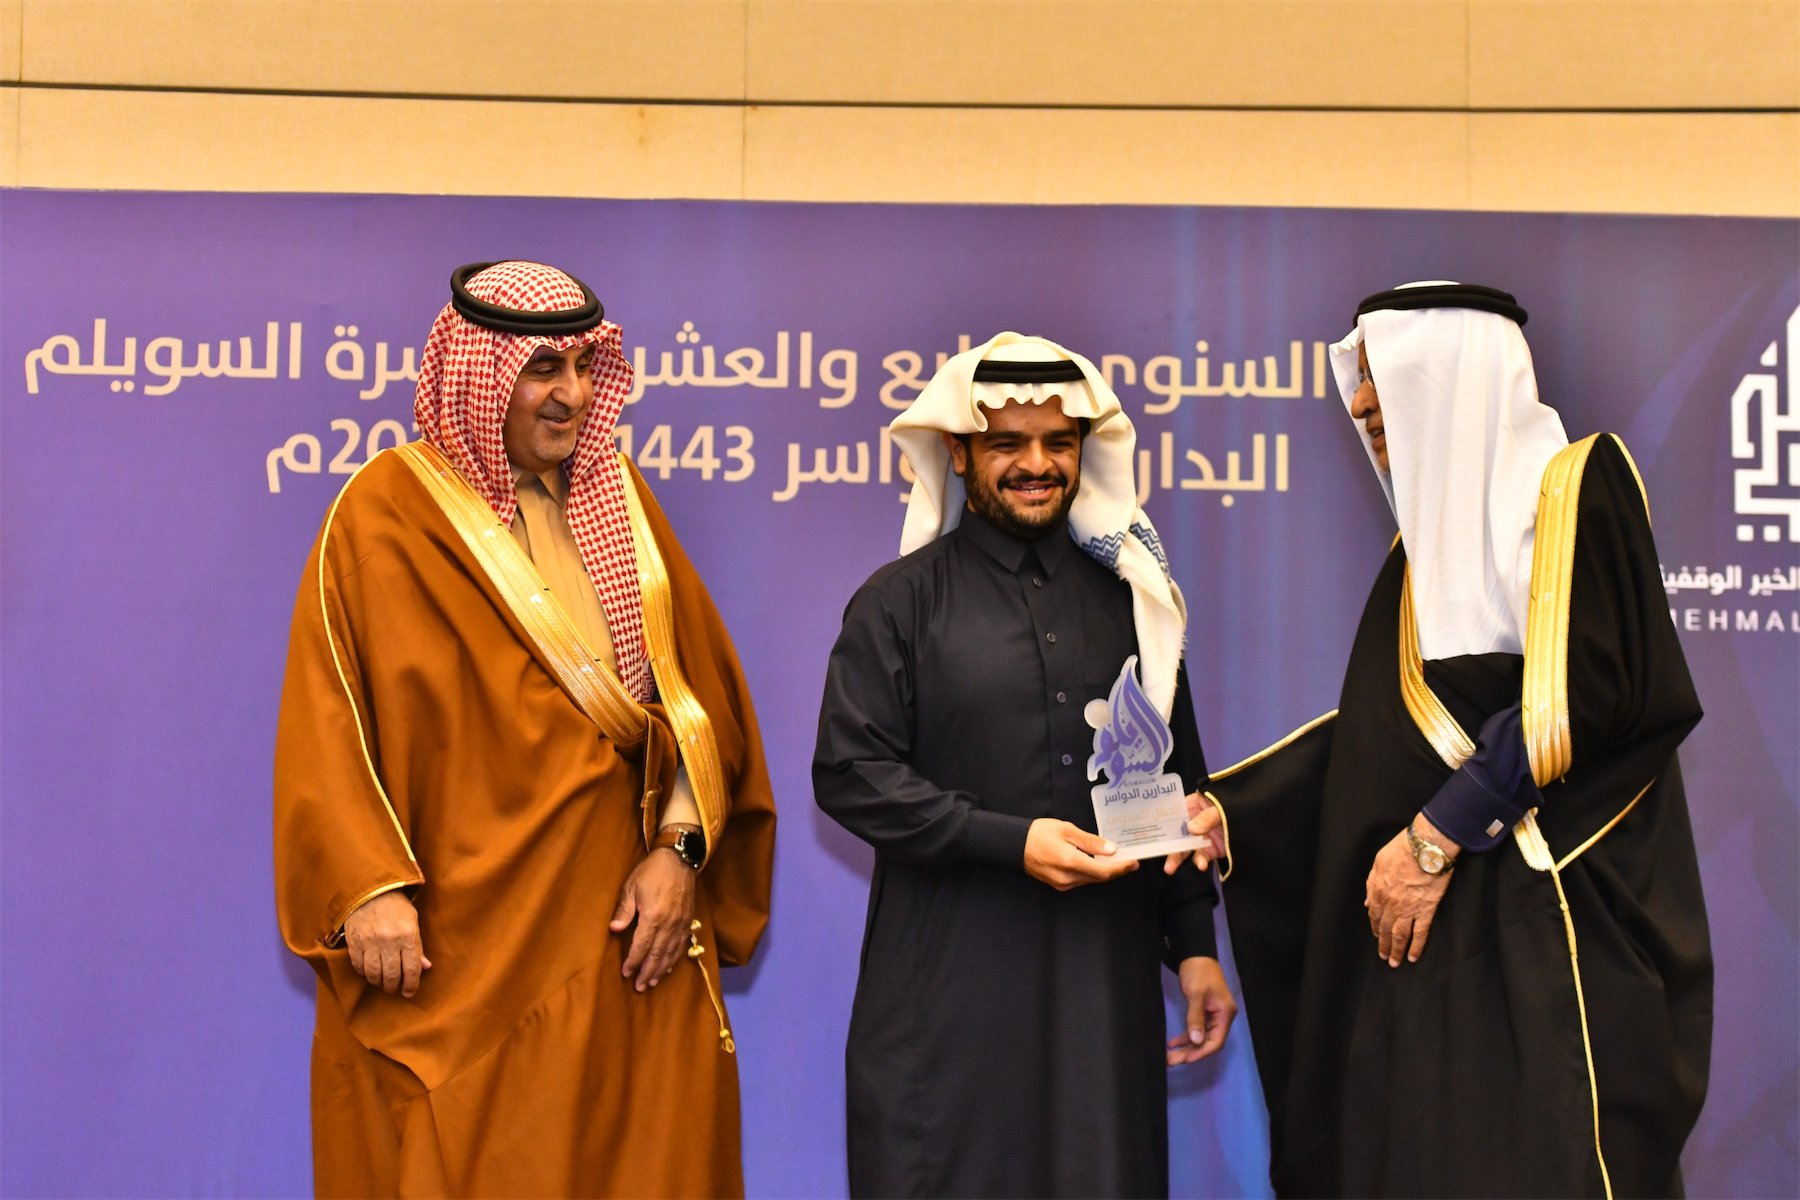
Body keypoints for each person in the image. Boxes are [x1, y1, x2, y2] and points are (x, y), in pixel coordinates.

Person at [274, 261, 776, 1198]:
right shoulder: (382, 516)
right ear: (481, 374)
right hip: (457, 947)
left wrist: (680, 853)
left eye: (585, 368)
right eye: (544, 369)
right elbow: (326, 720)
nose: (572, 395)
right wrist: (369, 888)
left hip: (618, 934)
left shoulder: (624, 506)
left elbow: (703, 708)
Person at [1202, 283, 1712, 1197]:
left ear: (1452, 385)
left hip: (1548, 946)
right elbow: (1387, 738)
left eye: (1385, 392)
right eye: (1361, 395)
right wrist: (1234, 811)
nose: (1366, 415)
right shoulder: (1416, 562)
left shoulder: (1576, 491)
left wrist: (1435, 838)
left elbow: (1594, 688)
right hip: (1427, 960)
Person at [814, 332, 1236, 1199]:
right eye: (1007, 444)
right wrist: (1009, 841)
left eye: (1058, 443)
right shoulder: (899, 601)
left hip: (1102, 992)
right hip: (947, 997)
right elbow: (850, 773)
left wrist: (1196, 949)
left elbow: (1174, 782)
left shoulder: (1136, 602)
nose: (1037, 465)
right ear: (959, 453)